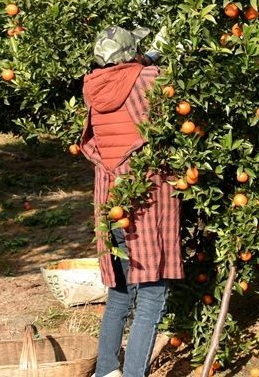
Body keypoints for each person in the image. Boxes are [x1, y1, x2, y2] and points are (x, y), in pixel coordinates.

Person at [79, 26, 183, 377]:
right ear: (130, 56)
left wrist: (149, 56)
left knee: (120, 295)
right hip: (144, 202)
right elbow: (164, 79)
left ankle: (106, 370)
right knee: (152, 296)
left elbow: (134, 71)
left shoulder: (93, 86)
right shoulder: (148, 81)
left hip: (112, 203)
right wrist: (167, 50)